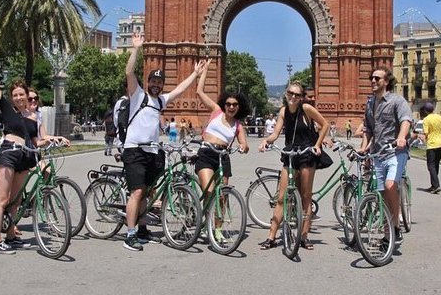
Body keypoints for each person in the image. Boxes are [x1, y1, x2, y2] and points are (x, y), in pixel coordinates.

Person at [0, 45, 67, 254]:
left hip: (25, 157)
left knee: (15, 201)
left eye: (21, 94)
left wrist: (57, 139)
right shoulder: (7, 109)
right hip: (8, 154)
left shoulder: (33, 117)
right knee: (3, 199)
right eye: (14, 95)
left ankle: (10, 236)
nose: (17, 98)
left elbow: (37, 141)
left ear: (28, 96)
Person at [122, 31, 205, 251]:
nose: (157, 84)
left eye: (160, 82)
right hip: (134, 150)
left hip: (151, 151)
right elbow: (129, 72)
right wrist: (136, 48)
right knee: (137, 192)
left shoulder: (161, 101)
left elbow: (179, 90)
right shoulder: (138, 95)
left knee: (148, 192)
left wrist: (195, 74)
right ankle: (129, 234)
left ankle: (141, 229)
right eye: (154, 81)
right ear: (148, 82)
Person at [258, 81, 329, 250]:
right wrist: (266, 141)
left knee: (306, 197)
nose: (294, 97)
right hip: (290, 154)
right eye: (291, 93)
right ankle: (271, 236)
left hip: (306, 155)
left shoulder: (306, 109)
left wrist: (317, 145)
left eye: (297, 95)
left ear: (301, 97)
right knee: (281, 198)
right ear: (286, 93)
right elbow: (276, 133)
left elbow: (325, 124)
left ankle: (304, 236)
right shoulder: (283, 111)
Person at [195, 59, 250, 241]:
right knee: (210, 191)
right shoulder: (216, 111)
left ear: (238, 107)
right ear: (224, 104)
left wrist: (243, 147)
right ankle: (205, 222)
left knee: (222, 196)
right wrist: (205, 71)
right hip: (206, 153)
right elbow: (199, 92)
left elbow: (245, 144)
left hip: (223, 157)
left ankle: (217, 230)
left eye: (235, 105)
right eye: (229, 104)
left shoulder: (238, 125)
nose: (231, 107)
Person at [359, 66, 412, 247]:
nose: (373, 81)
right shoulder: (370, 103)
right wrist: (363, 148)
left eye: (377, 78)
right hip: (378, 153)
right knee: (382, 196)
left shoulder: (398, 100)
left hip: (396, 152)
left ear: (386, 81)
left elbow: (406, 120)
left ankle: (396, 226)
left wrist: (401, 137)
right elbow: (369, 129)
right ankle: (389, 236)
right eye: (371, 78)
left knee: (390, 186)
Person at [421, 102, 441, 194]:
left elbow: (426, 133)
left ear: (425, 111)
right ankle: (433, 185)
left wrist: (423, 141)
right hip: (440, 144)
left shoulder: (426, 119)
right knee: (436, 165)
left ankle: (436, 185)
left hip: (431, 145)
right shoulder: (440, 118)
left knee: (430, 166)